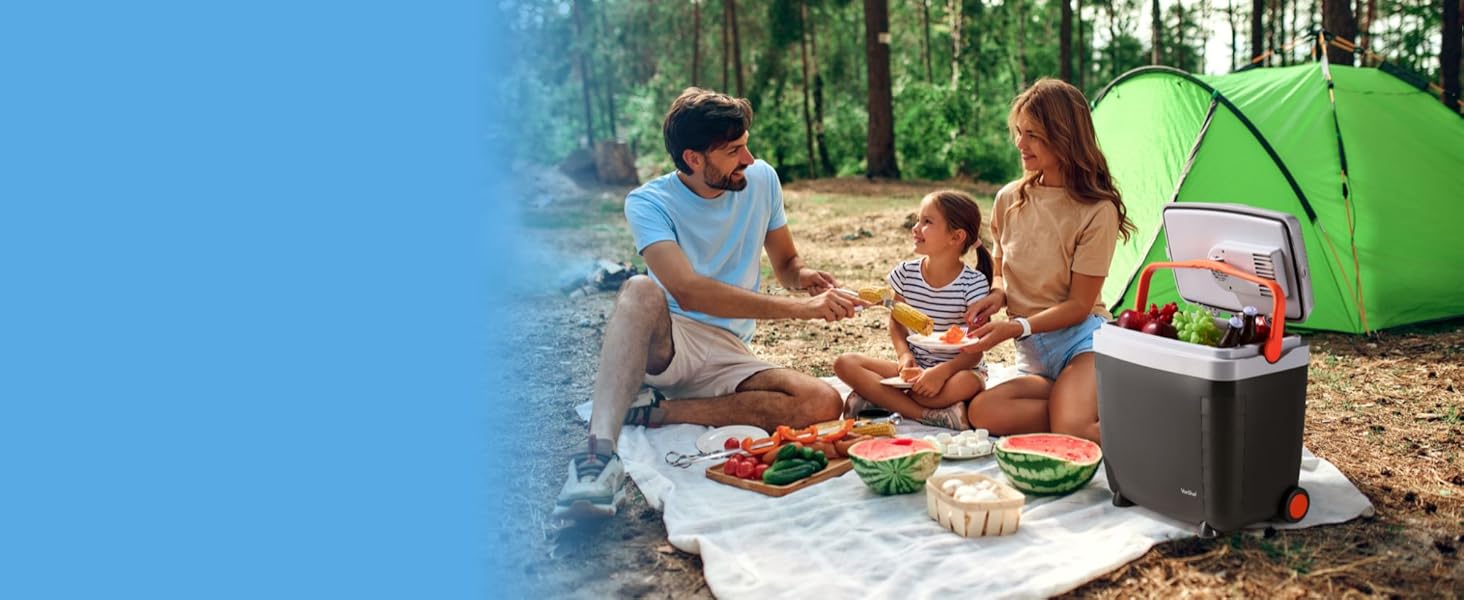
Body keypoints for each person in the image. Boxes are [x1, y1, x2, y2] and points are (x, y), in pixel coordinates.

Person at [554, 88, 868, 521]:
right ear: (694, 158)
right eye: (734, 150)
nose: (749, 159)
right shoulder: (648, 203)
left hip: (728, 350)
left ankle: (656, 412)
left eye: (746, 144)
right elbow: (687, 290)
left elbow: (786, 262)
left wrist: (801, 278)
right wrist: (801, 310)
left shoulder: (762, 181)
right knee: (639, 289)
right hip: (672, 339)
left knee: (822, 401)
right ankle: (597, 459)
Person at [959, 78, 1135, 444]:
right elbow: (1001, 267)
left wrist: (1014, 327)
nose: (1021, 145)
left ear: (1065, 136)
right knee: (981, 413)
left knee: (1071, 428)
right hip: (1035, 355)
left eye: (1034, 135)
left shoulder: (1096, 210)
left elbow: (1079, 305)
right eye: (1019, 133)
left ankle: (1157, 426)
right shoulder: (1009, 198)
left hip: (1082, 342)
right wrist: (997, 296)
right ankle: (1083, 406)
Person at [833, 190, 992, 430]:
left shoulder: (974, 284)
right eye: (918, 220)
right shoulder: (906, 273)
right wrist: (904, 356)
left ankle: (879, 400)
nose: (915, 228)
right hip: (914, 367)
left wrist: (942, 372)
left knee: (965, 385)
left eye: (927, 222)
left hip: (957, 369)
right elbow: (897, 320)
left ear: (956, 236)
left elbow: (977, 349)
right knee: (844, 363)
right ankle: (926, 414)